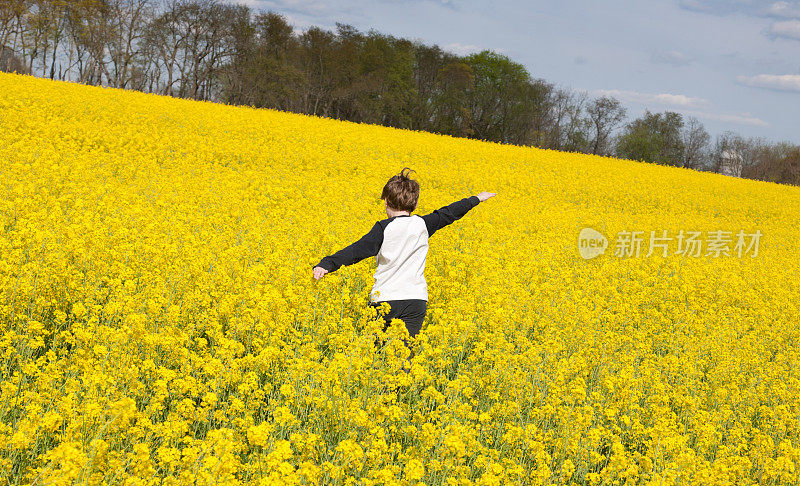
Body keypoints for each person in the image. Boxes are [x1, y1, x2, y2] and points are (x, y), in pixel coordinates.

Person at [311, 167, 496, 353]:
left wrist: (327, 264)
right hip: (415, 300)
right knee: (402, 360)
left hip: (384, 300)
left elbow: (355, 251)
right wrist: (477, 198)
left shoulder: (383, 228)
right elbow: (449, 213)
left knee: (379, 359)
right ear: (414, 206)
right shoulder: (423, 224)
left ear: (385, 202)